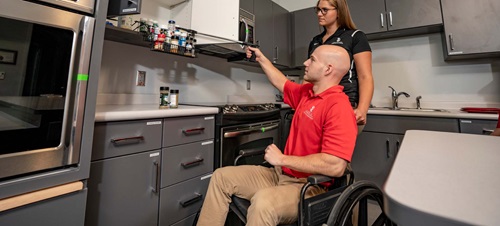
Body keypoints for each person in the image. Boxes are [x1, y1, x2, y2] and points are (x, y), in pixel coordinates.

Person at [196, 45, 358, 226]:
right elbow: (281, 82)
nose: (305, 63)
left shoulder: (339, 107)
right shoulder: (307, 94)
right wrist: (261, 58)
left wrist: (282, 159)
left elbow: (335, 166)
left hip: (309, 187)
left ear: (328, 69)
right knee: (221, 177)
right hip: (279, 174)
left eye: (312, 59)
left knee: (263, 203)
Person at [308, 0, 374, 126]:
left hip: (344, 103)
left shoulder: (355, 36)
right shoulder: (315, 41)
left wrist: (362, 109)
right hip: (317, 104)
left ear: (339, 12)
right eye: (318, 10)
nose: (319, 14)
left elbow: (365, 77)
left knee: (335, 145)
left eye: (325, 10)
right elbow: (309, 75)